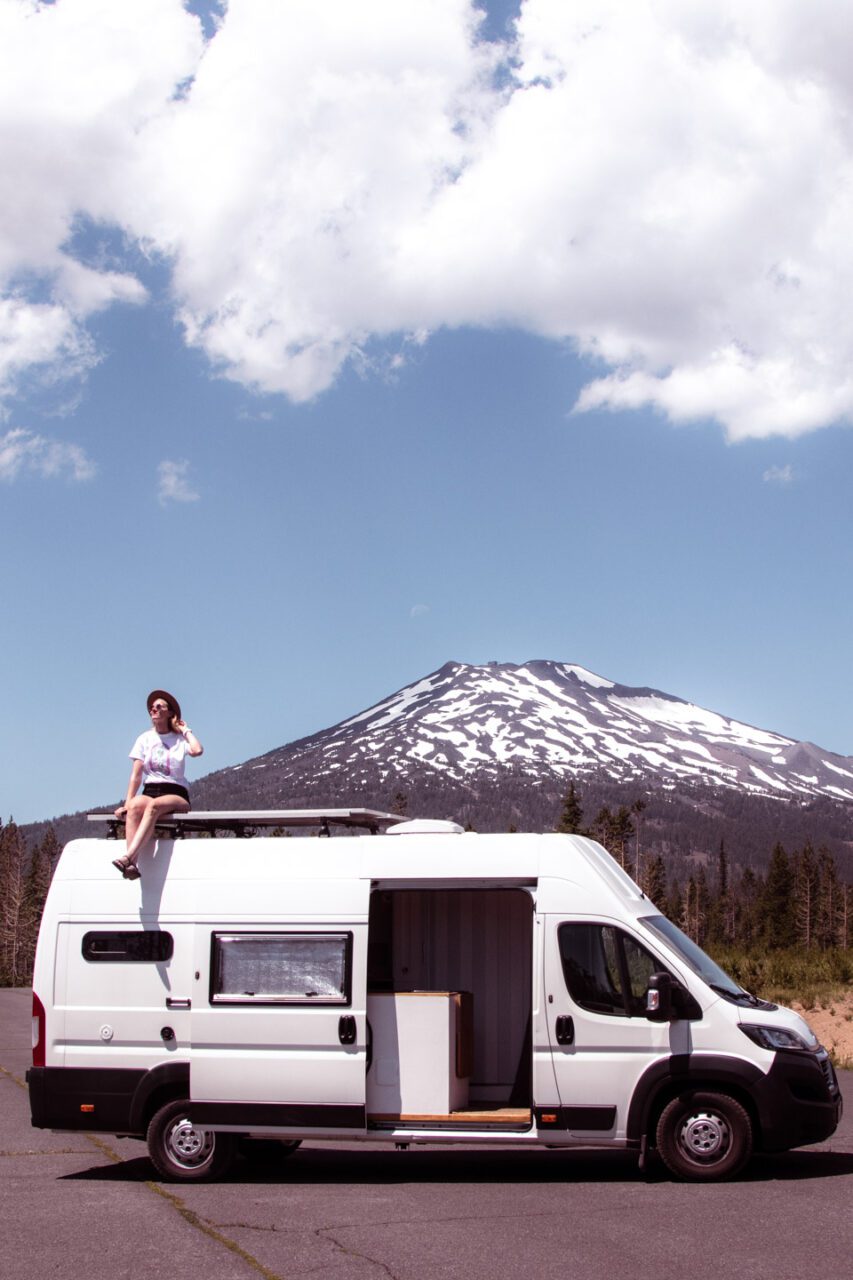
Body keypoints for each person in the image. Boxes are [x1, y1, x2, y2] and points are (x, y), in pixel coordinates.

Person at [112, 690, 203, 879]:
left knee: (153, 806)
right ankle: (132, 866)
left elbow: (197, 750)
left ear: (170, 713)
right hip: (151, 789)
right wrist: (127, 803)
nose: (154, 709)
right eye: (152, 707)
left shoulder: (179, 739)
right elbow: (136, 775)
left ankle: (128, 857)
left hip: (175, 791)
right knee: (136, 806)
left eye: (159, 706)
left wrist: (186, 730)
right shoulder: (145, 738)